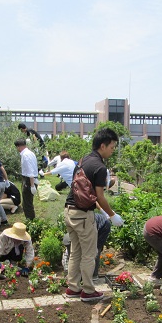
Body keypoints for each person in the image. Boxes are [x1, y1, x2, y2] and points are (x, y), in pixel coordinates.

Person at [64, 128, 124, 303]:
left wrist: (105, 212)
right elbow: (99, 195)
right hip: (83, 215)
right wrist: (112, 215)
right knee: (89, 254)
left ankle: (73, 287)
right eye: (112, 147)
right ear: (103, 145)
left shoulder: (84, 160)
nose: (112, 151)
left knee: (76, 251)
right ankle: (88, 291)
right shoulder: (100, 167)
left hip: (69, 211)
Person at [62, 211, 111, 280]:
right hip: (90, 225)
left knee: (95, 250)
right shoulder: (72, 233)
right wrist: (68, 272)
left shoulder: (85, 229)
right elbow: (68, 258)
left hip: (103, 226)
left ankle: (93, 275)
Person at [14, 138, 38, 220]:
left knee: (27, 203)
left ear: (18, 147)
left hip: (29, 180)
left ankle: (30, 221)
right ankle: (31, 220)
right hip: (32, 179)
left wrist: (32, 185)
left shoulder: (25, 155)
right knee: (28, 202)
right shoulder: (30, 153)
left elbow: (30, 171)